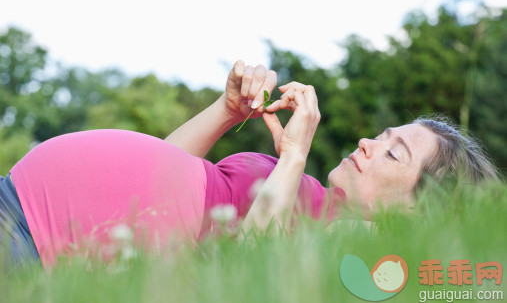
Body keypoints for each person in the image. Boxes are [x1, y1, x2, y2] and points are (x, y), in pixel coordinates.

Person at [0, 61, 499, 270]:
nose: (368, 142)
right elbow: (164, 169)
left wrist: (295, 155)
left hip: (30, 237)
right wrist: (227, 111)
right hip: (20, 201)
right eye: (383, 136)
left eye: (393, 152)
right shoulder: (307, 193)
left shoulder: (354, 245)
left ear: (419, 212)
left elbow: (252, 252)